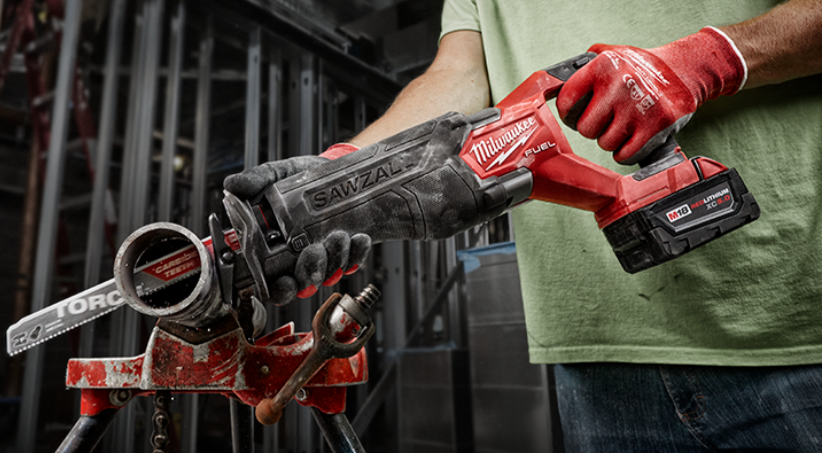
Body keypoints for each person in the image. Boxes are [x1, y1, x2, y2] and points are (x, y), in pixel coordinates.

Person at [225, 0, 822, 450]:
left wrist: (705, 62)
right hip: (593, 355)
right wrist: (333, 179)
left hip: (787, 329)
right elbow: (458, 80)